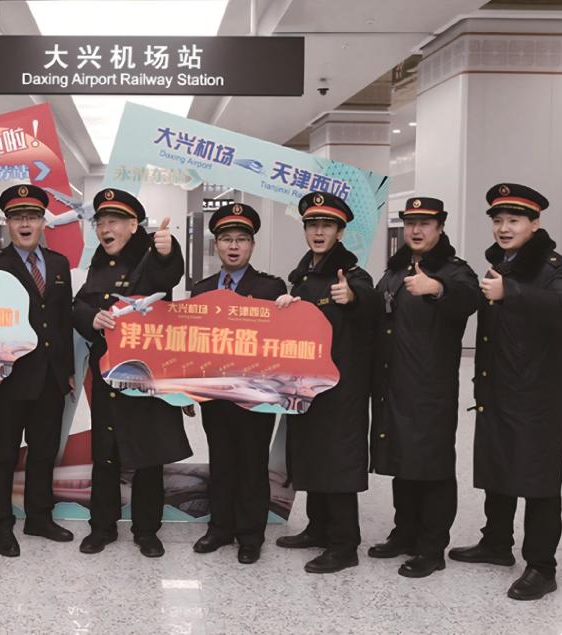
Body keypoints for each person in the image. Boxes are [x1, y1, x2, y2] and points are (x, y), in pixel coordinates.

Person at [449, 183, 562, 601]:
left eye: (514, 220)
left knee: (540, 480)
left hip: (536, 395)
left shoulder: (553, 268)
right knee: (499, 466)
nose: (504, 228)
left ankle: (542, 565)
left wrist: (514, 292)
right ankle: (496, 542)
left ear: (535, 223)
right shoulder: (500, 263)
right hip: (498, 388)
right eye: (499, 220)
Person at [73, 188, 191, 558]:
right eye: (100, 223)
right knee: (105, 454)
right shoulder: (99, 262)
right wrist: (91, 317)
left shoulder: (150, 254)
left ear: (133, 225)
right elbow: (80, 304)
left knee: (148, 454)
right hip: (108, 374)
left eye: (114, 222)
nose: (105, 229)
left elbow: (166, 275)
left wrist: (167, 250)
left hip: (146, 375)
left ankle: (147, 530)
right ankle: (102, 527)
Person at [369, 197, 479, 578]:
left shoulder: (454, 271)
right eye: (410, 222)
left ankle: (432, 548)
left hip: (431, 390)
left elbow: (469, 299)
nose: (416, 230)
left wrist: (437, 288)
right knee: (403, 462)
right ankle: (405, 533)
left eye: (425, 223)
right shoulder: (395, 271)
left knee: (432, 466)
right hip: (394, 384)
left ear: (440, 227)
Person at [274, 191, 379, 574]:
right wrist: (288, 306)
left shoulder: (352, 275)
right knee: (311, 455)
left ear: (340, 232)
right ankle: (318, 528)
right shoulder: (302, 276)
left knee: (337, 462)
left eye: (327, 226)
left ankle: (344, 544)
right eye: (313, 225)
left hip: (341, 388)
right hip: (308, 387)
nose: (319, 232)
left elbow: (370, 303)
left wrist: (352, 298)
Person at [0, 183, 76, 557]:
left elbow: (62, 319)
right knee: (3, 454)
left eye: (32, 217)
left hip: (51, 378)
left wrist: (67, 370)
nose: (25, 224)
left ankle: (39, 517)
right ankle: (1, 524)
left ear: (42, 223)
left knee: (43, 451)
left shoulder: (58, 264)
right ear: (7, 223)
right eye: (17, 217)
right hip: (10, 378)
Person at [190, 202, 286, 565]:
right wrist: (186, 389)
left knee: (252, 463)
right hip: (214, 394)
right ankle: (220, 528)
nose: (233, 246)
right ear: (216, 245)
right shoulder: (201, 290)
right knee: (221, 460)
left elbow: (282, 340)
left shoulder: (270, 288)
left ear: (252, 245)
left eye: (241, 239)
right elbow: (191, 344)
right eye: (226, 239)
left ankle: (250, 535)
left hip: (256, 394)